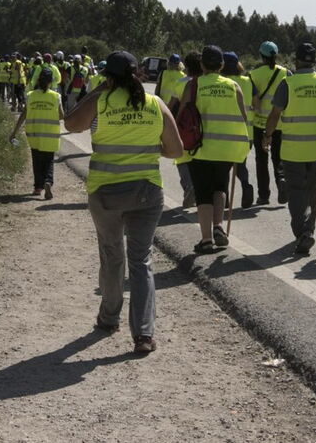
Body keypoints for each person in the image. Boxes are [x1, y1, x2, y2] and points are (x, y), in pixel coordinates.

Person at [64, 51, 183, 355]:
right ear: (137, 74)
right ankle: (143, 334)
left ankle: (108, 319)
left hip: (106, 192)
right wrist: (146, 146)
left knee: (112, 254)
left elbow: (72, 124)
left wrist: (96, 92)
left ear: (108, 76)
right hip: (146, 192)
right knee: (141, 261)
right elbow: (175, 150)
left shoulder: (101, 101)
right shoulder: (154, 103)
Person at [262, 42, 316, 256]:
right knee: (311, 192)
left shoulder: (288, 84)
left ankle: (303, 232)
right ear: (314, 61)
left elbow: (274, 115)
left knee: (296, 193)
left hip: (292, 151)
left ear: (296, 60)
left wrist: (267, 136)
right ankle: (309, 229)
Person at [178, 45, 249, 253]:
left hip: (200, 149)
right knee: (220, 188)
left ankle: (206, 239)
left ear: (201, 65)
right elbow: (243, 118)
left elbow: (182, 115)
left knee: (203, 194)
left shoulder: (194, 85)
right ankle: (218, 226)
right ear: (221, 65)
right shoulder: (233, 86)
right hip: (227, 149)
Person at [10, 68, 65, 199]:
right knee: (49, 161)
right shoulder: (56, 96)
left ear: (39, 80)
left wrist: (14, 132)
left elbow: (23, 115)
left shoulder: (30, 95)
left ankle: (37, 187)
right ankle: (48, 182)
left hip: (34, 135)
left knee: (37, 160)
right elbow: (62, 116)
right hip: (50, 136)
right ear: (51, 81)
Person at [250, 41, 290, 205]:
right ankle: (281, 180)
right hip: (280, 123)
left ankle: (264, 195)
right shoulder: (287, 73)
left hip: (260, 124)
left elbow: (253, 100)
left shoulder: (254, 74)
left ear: (261, 56)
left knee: (261, 161)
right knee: (278, 158)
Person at [166, 52, 203, 208]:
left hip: (185, 126)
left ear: (186, 67)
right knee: (199, 160)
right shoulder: (204, 82)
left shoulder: (181, 83)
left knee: (182, 158)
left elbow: (171, 106)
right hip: (202, 128)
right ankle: (199, 190)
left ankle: (188, 187)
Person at [221, 51, 255, 208]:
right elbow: (256, 103)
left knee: (224, 168)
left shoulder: (221, 83)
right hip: (246, 133)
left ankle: (224, 199)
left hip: (225, 133)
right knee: (241, 165)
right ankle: (247, 188)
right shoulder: (248, 81)